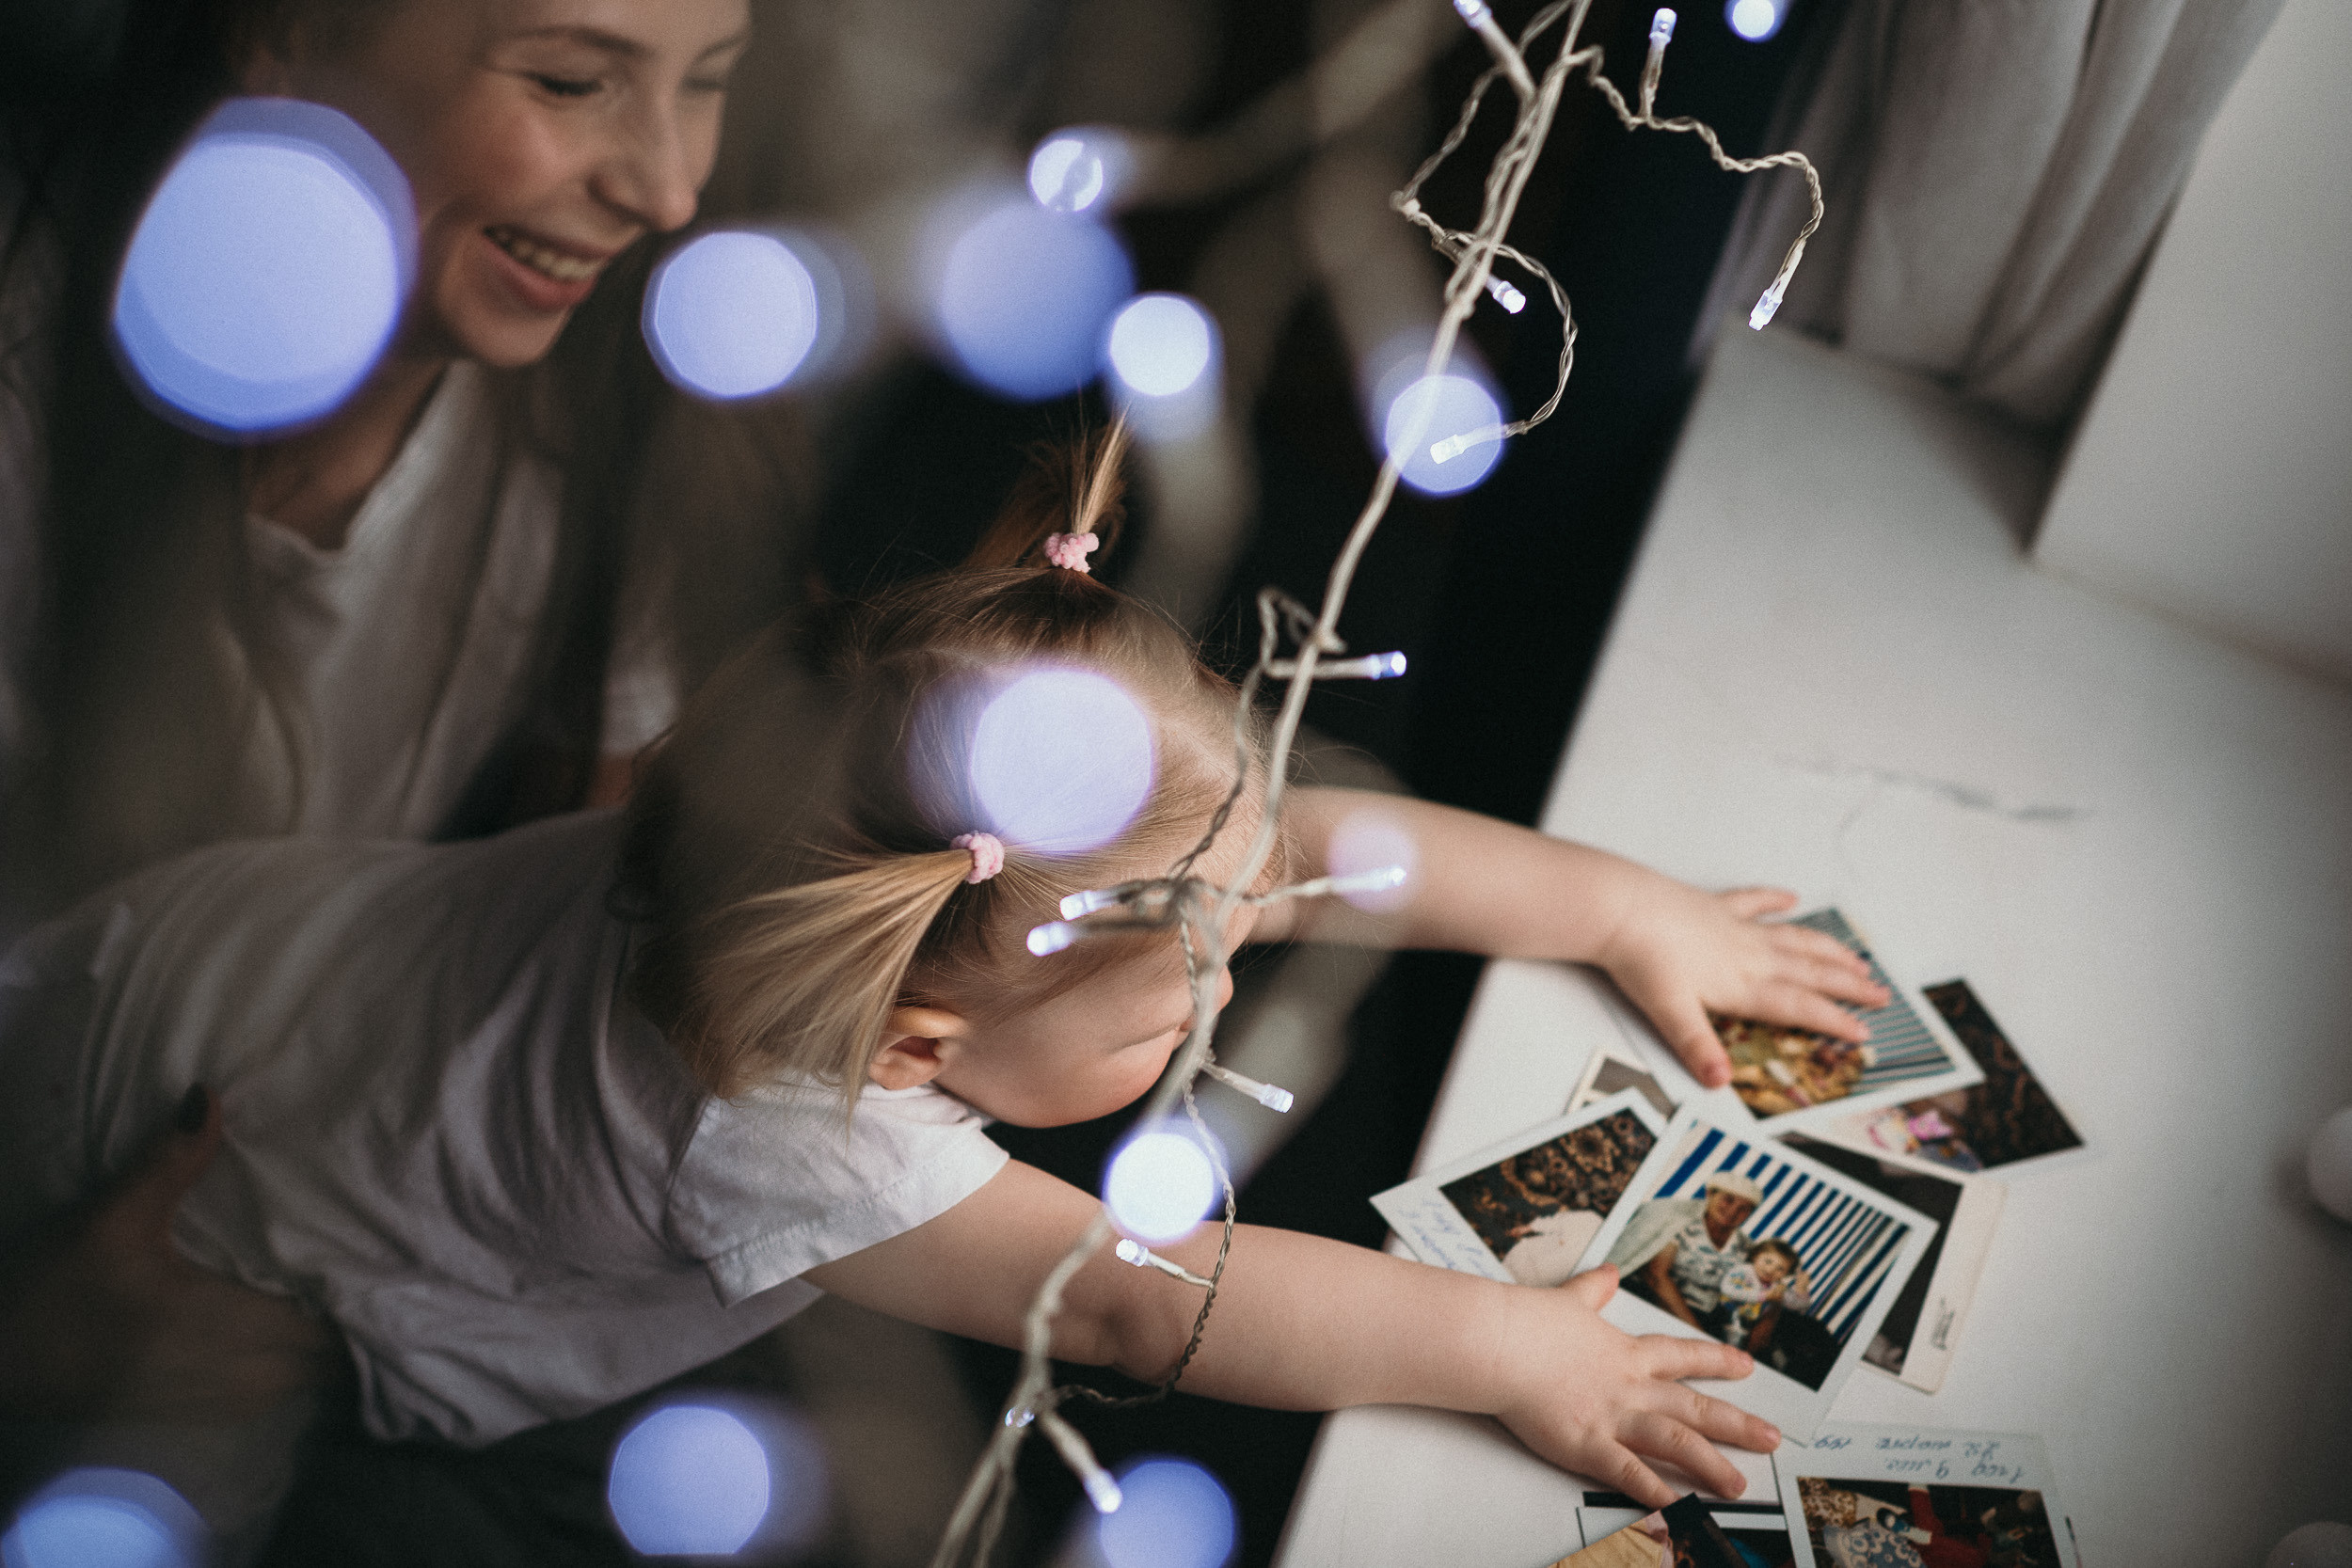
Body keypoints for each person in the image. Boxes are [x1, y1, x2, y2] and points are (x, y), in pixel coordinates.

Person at [0, 431, 1890, 1541]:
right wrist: (1516, 1347)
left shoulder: (828, 805)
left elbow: (1310, 845)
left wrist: (1622, 909)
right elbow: (1141, 1297)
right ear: (917, 1048)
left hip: (225, 953)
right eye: (1177, 999)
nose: (1228, 983)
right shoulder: (788, 1138)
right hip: (217, 1186)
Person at [0, 0, 803, 923]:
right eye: (570, 83)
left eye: (706, 80)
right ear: (285, 32)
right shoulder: (29, 376)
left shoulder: (614, 456)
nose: (667, 195)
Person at [1610, 1170, 1766, 1334]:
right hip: (1651, 1301)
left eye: (1743, 1209)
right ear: (1709, 1194)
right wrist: (1695, 1331)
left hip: (1704, 1316)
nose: (1733, 1211)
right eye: (1728, 1199)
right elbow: (1655, 1276)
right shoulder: (1681, 1221)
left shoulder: (1745, 1246)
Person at [1714, 1237, 1806, 1349]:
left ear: (1786, 1274)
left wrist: (1801, 1290)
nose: (1771, 1270)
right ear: (1756, 1256)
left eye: (1780, 1269)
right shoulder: (1743, 1271)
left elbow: (1799, 1305)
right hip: (1723, 1314)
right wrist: (1763, 1296)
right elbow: (1728, 1289)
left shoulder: (1776, 1286)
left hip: (1749, 1325)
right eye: (1768, 1261)